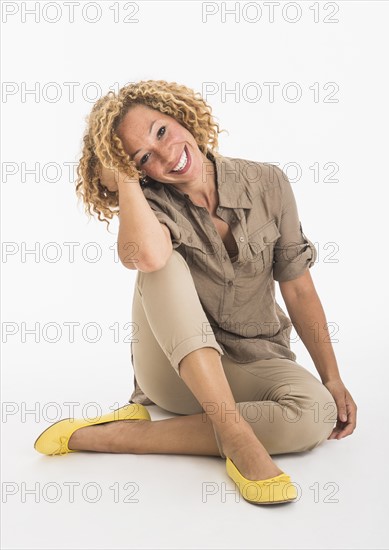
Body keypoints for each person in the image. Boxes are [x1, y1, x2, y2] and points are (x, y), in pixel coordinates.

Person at [34, 79, 357, 505]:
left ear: (180, 115)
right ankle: (236, 437)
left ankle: (122, 435)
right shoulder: (149, 204)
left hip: (250, 358)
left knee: (314, 415)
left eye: (161, 131)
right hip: (172, 374)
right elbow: (146, 257)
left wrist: (332, 378)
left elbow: (297, 288)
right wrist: (128, 181)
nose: (166, 154)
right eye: (143, 157)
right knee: (161, 261)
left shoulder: (268, 183)